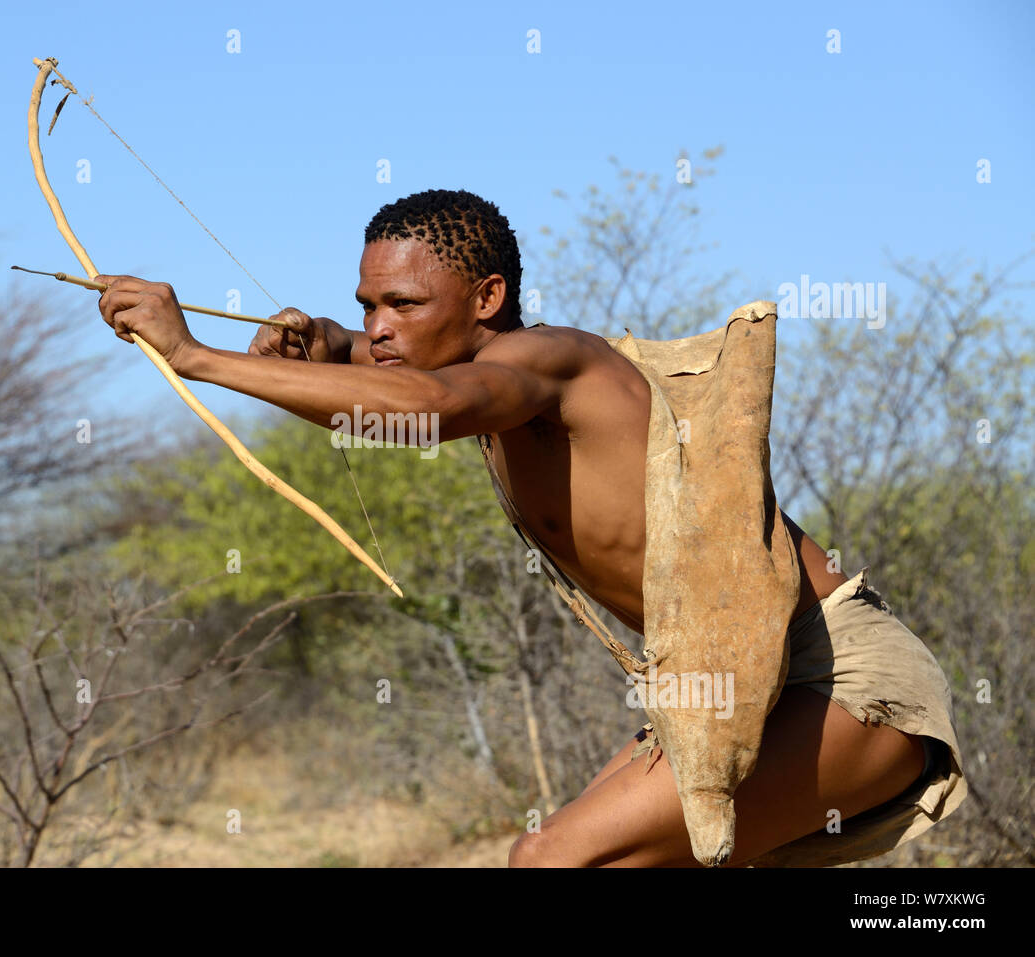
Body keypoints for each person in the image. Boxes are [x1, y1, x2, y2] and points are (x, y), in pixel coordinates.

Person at [95, 188, 967, 867]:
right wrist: (317, 339)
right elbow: (380, 370)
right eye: (366, 305)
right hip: (737, 685)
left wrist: (195, 358)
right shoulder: (450, 354)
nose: (378, 327)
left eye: (400, 304)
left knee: (552, 856)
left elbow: (425, 410)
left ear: (488, 296)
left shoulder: (543, 362)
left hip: (841, 677)